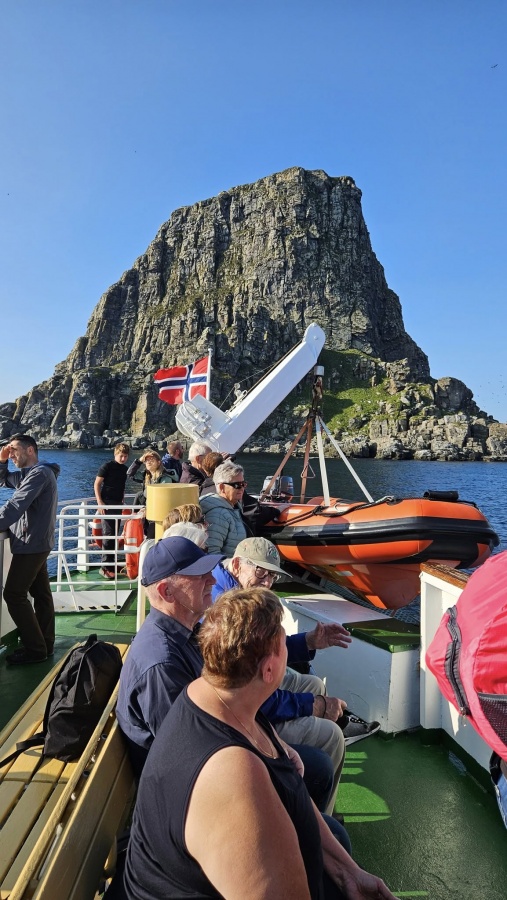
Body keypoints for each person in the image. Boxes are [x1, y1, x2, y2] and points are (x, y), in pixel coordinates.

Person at [124, 587, 396, 900]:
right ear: (268, 670)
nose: (286, 649)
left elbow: (292, 791)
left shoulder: (224, 697)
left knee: (337, 838)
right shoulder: (233, 771)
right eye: (283, 642)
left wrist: (347, 871)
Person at [116, 537, 338, 812]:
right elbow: (188, 757)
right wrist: (263, 754)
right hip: (192, 795)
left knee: (316, 766)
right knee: (319, 767)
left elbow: (225, 700)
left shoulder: (186, 634)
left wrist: (273, 741)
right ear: (167, 591)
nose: (212, 579)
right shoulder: (162, 666)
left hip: (215, 749)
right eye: (200, 576)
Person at [213, 536, 380, 751]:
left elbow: (261, 652)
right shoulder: (225, 611)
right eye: (261, 572)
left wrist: (308, 641)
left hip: (247, 695)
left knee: (314, 684)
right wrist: (313, 705)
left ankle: (324, 730)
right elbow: (252, 696)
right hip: (236, 718)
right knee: (331, 735)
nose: (267, 583)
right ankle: (320, 740)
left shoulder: (240, 593)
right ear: (237, 564)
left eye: (272, 576)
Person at [0, 435, 60, 665]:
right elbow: (2, 480)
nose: (11, 454)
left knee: (14, 594)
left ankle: (36, 650)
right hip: (37, 542)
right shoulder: (29, 474)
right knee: (41, 595)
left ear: (30, 450)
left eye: (14, 450)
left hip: (31, 543)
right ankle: (46, 643)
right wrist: (2, 460)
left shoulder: (39, 474)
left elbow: (15, 505)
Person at [94, 442, 130, 577]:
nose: (123, 458)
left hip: (118, 504)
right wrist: (100, 502)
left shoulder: (124, 469)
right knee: (108, 535)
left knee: (114, 534)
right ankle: (105, 567)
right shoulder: (107, 466)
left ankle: (112, 563)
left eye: (125, 456)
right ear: (116, 454)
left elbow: (122, 486)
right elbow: (97, 484)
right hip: (107, 504)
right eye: (121, 456)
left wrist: (122, 500)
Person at [200, 460, 250, 555]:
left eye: (243, 484)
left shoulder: (233, 506)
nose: (242, 488)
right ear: (222, 487)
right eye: (237, 485)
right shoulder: (218, 515)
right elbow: (212, 553)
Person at [126, 449, 177, 538]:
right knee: (139, 495)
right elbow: (130, 474)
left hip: (160, 516)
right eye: (146, 460)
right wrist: (139, 461)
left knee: (152, 538)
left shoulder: (165, 477)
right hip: (149, 514)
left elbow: (161, 498)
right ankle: (134, 521)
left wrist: (147, 509)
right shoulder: (146, 476)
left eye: (152, 460)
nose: (149, 462)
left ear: (159, 462)